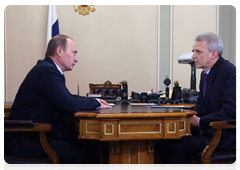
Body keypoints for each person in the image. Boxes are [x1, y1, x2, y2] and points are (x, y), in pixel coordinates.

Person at [4, 34, 112, 170]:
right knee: (77, 154)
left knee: (88, 146)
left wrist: (94, 101)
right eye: (74, 53)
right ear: (59, 51)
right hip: (25, 140)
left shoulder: (47, 69)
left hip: (35, 136)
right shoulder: (46, 71)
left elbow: (67, 97)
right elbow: (69, 103)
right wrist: (96, 103)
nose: (76, 59)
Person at [155, 32, 238, 170]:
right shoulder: (206, 73)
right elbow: (201, 105)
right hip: (207, 131)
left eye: (198, 52)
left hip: (223, 136)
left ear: (213, 54)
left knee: (174, 147)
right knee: (161, 141)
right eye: (194, 51)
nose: (193, 56)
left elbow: (231, 111)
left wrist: (199, 122)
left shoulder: (228, 71)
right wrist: (182, 114)